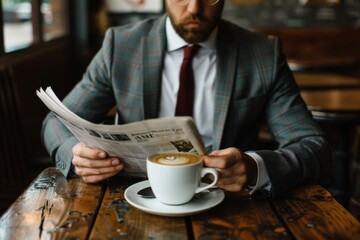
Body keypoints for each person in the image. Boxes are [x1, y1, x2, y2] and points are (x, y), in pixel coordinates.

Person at [42, 0, 332, 197]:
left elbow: (312, 145)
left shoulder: (263, 54)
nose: (195, 8)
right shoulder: (121, 45)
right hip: (134, 195)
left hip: (227, 199)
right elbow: (55, 122)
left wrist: (255, 166)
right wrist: (75, 154)